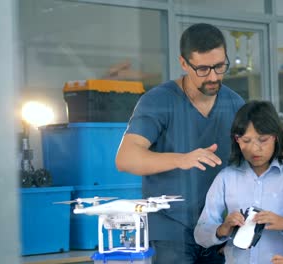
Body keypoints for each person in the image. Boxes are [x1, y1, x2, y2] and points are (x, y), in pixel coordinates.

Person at [115, 23, 245, 264]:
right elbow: (126, 158)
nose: (214, 76)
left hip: (218, 228)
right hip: (171, 229)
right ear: (184, 63)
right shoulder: (159, 101)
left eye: (219, 66)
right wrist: (182, 159)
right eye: (203, 69)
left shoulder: (235, 104)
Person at [194, 100, 283, 264]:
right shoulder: (226, 178)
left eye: (263, 140)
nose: (254, 149)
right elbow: (200, 234)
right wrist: (223, 229)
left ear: (276, 137)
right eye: (246, 141)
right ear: (237, 140)